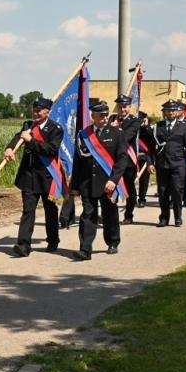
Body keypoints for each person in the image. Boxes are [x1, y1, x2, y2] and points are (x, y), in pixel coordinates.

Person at [71, 98, 133, 260]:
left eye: (106, 115)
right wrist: (75, 185)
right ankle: (85, 249)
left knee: (110, 214)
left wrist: (114, 179)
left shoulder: (116, 133)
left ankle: (113, 241)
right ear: (93, 115)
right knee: (88, 215)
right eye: (101, 115)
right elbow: (77, 161)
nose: (105, 118)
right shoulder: (83, 135)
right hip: (87, 182)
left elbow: (122, 159)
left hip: (108, 182)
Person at [11, 97, 63, 256]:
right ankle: (23, 245)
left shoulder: (55, 129)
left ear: (48, 112)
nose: (36, 113)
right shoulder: (28, 125)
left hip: (47, 176)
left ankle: (53, 240)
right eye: (34, 109)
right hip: (28, 176)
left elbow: (50, 150)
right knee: (28, 210)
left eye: (39, 110)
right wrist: (9, 148)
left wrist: (31, 141)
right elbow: (17, 138)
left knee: (50, 210)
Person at [153, 99, 186, 227]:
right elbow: (152, 147)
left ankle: (178, 217)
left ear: (177, 112)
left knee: (177, 191)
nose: (171, 112)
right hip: (162, 164)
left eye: (173, 110)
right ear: (164, 112)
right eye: (168, 110)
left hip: (178, 164)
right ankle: (164, 218)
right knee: (163, 192)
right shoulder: (158, 126)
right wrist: (150, 162)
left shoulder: (183, 126)